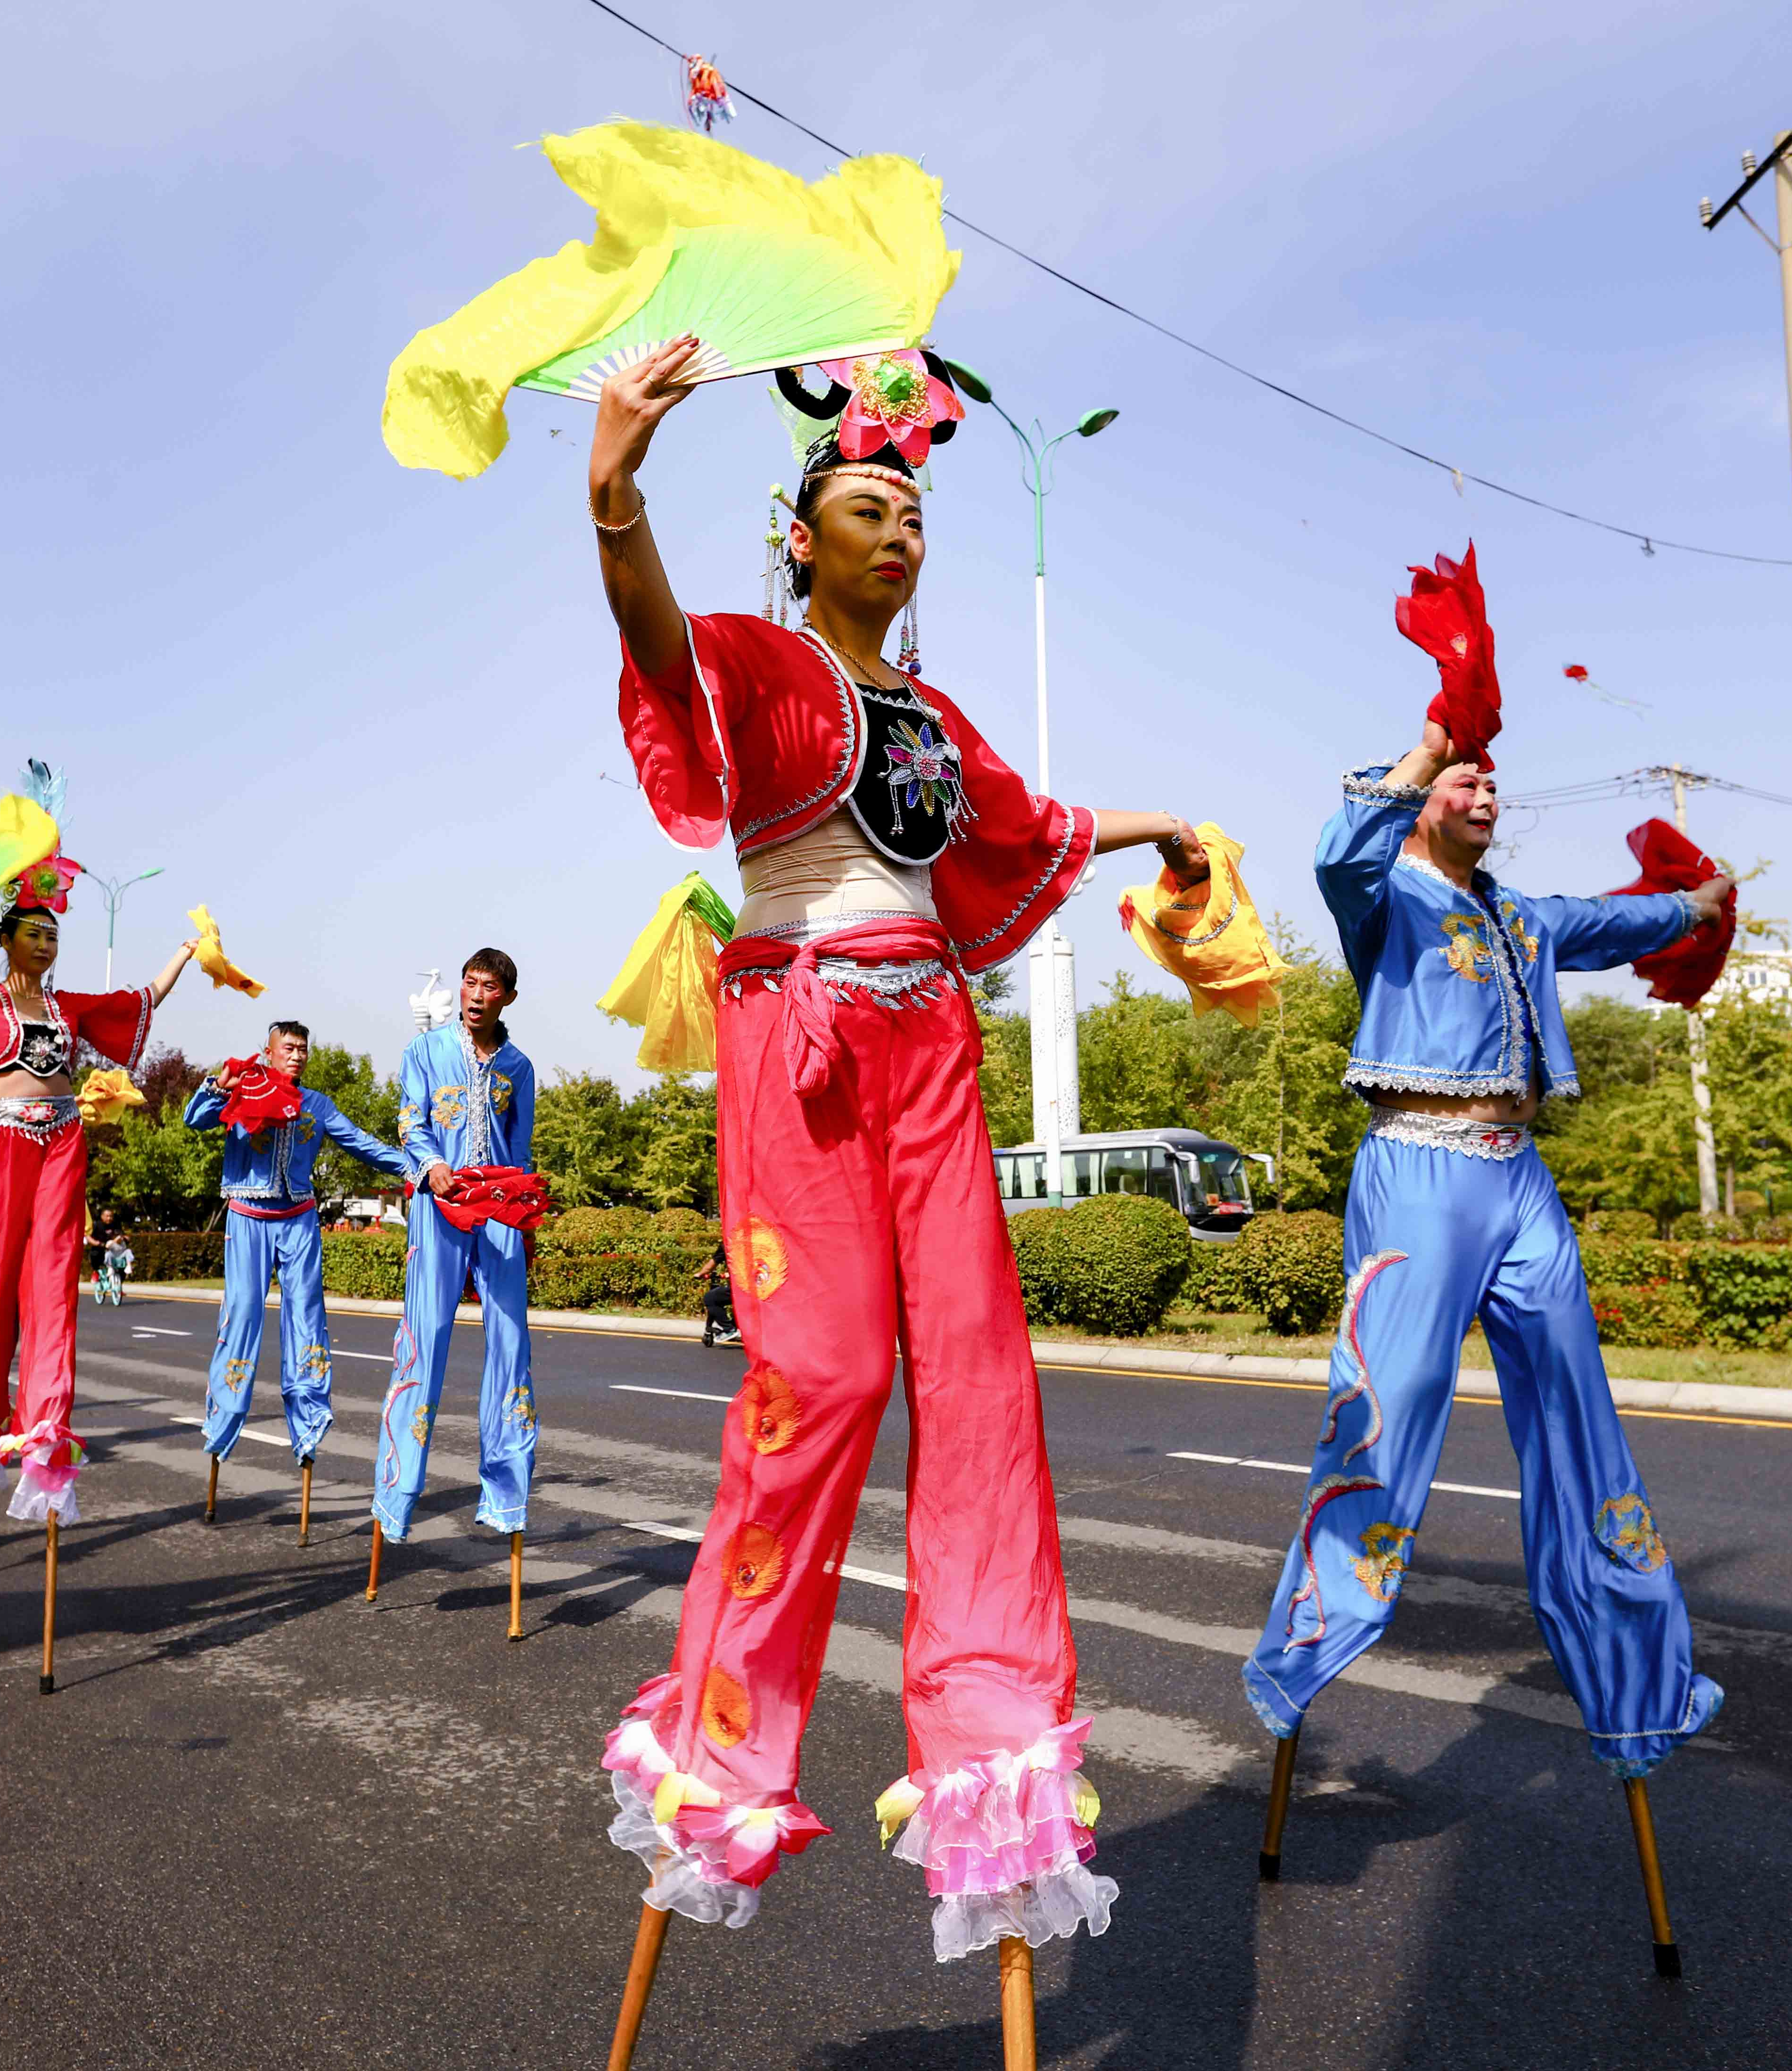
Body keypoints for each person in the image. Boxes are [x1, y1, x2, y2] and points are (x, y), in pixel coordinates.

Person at [584, 337, 1208, 1954]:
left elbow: (1022, 827)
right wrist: (614, 493)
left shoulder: (933, 717)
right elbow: (656, 642)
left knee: (986, 1389)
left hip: (934, 1038)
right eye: (867, 502)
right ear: (801, 535)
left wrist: (1163, 828)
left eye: (915, 506)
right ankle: (722, 1746)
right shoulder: (757, 664)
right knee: (832, 1380)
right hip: (803, 1037)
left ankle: (997, 1758)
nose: (897, 526)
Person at [1241, 585, 1733, 1784]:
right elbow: (1335, 846)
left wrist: (1701, 905)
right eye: (1469, 780)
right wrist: (1428, 747)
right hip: (1417, 1169)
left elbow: (1619, 924)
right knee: (1387, 1410)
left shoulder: (1519, 915)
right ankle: (1308, 1647)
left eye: (1492, 781)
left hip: (1523, 1185)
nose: (1485, 790)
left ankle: (1636, 1678)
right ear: (1428, 800)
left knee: (1580, 1421)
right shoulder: (1386, 896)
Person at [0, 854, 201, 1521]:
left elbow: (140, 1001)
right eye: (33, 932)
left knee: (54, 1279)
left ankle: (43, 1426)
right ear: (5, 938)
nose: (45, 943)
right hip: (2, 1139)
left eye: (53, 934)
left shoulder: (70, 1007)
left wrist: (183, 954)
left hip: (62, 1139)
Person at [180, 1019, 415, 1475]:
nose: (297, 1055)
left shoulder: (317, 1105)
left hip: (299, 1220)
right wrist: (216, 1086)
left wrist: (421, 1167)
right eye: (288, 1047)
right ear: (267, 1051)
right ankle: (224, 1420)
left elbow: (362, 1144)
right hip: (249, 1216)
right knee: (244, 1311)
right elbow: (195, 1120)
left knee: (307, 1316)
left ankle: (307, 1424)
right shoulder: (242, 1091)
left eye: (303, 1048)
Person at [375, 953, 536, 1546]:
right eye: (468, 983)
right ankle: (396, 1495)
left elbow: (520, 1151)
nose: (474, 994)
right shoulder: (424, 1051)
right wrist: (433, 1163)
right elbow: (409, 1123)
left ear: (507, 998)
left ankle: (505, 1497)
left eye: (488, 986)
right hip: (439, 1204)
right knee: (425, 1340)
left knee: (511, 1346)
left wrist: (524, 1222)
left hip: (499, 1211)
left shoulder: (519, 1067)